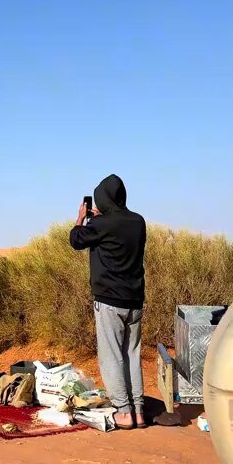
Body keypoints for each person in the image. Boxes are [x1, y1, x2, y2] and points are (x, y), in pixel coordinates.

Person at [69, 175, 147, 430]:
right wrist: (100, 219)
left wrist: (82, 218)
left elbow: (76, 239)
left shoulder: (100, 224)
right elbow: (116, 229)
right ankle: (138, 411)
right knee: (132, 355)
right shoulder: (138, 221)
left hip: (110, 301)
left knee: (111, 356)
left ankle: (123, 412)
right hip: (134, 300)